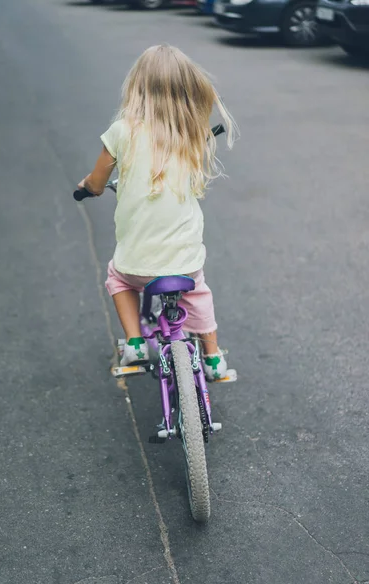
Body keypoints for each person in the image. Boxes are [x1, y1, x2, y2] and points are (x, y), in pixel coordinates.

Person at [78, 44, 237, 381]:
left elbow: (96, 181)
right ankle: (212, 358)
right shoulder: (190, 133)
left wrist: (89, 187)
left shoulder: (121, 132)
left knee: (117, 277)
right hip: (185, 264)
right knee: (198, 289)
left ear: (137, 87)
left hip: (136, 264)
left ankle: (135, 343)